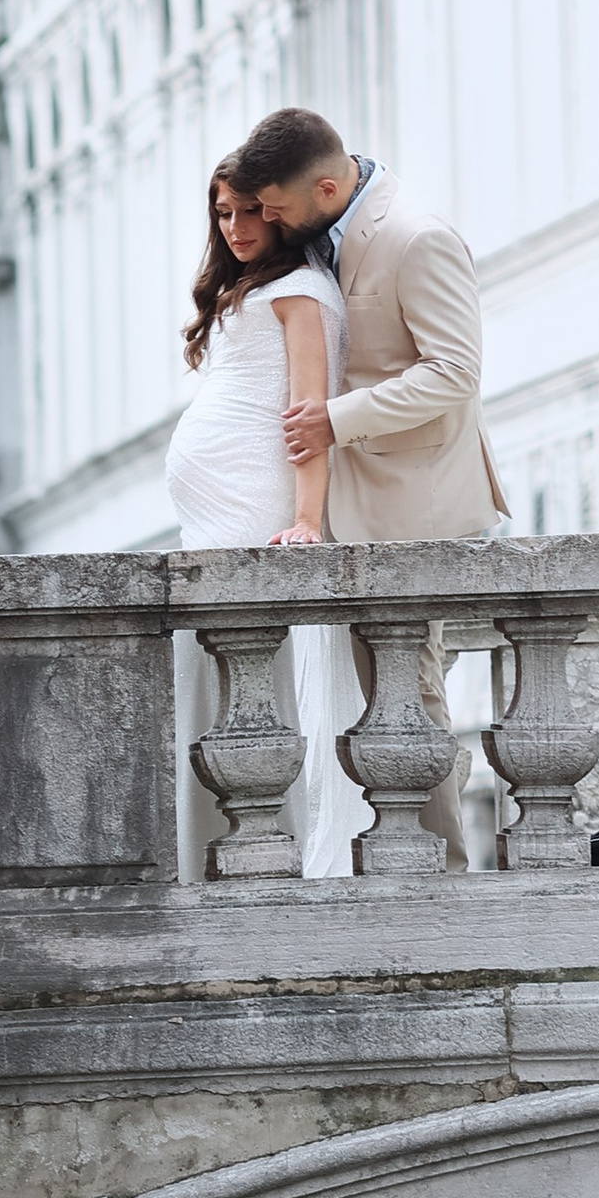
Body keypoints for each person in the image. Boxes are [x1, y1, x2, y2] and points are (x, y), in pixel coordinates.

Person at [230, 105, 506, 864]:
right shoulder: (323, 234)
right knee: (378, 694)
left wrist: (335, 419)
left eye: (275, 208)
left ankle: (441, 872)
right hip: (351, 501)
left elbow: (455, 372)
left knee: (409, 695)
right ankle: (394, 856)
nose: (266, 221)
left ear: (325, 186)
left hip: (408, 501)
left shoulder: (418, 236)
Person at [162, 153, 365, 877]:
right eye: (224, 213)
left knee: (257, 680)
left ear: (279, 215)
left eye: (252, 211)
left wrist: (308, 517)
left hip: (260, 506)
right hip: (216, 513)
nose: (238, 227)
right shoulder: (242, 289)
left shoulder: (301, 289)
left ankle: (272, 853)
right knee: (207, 682)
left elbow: (311, 412)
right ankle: (205, 854)